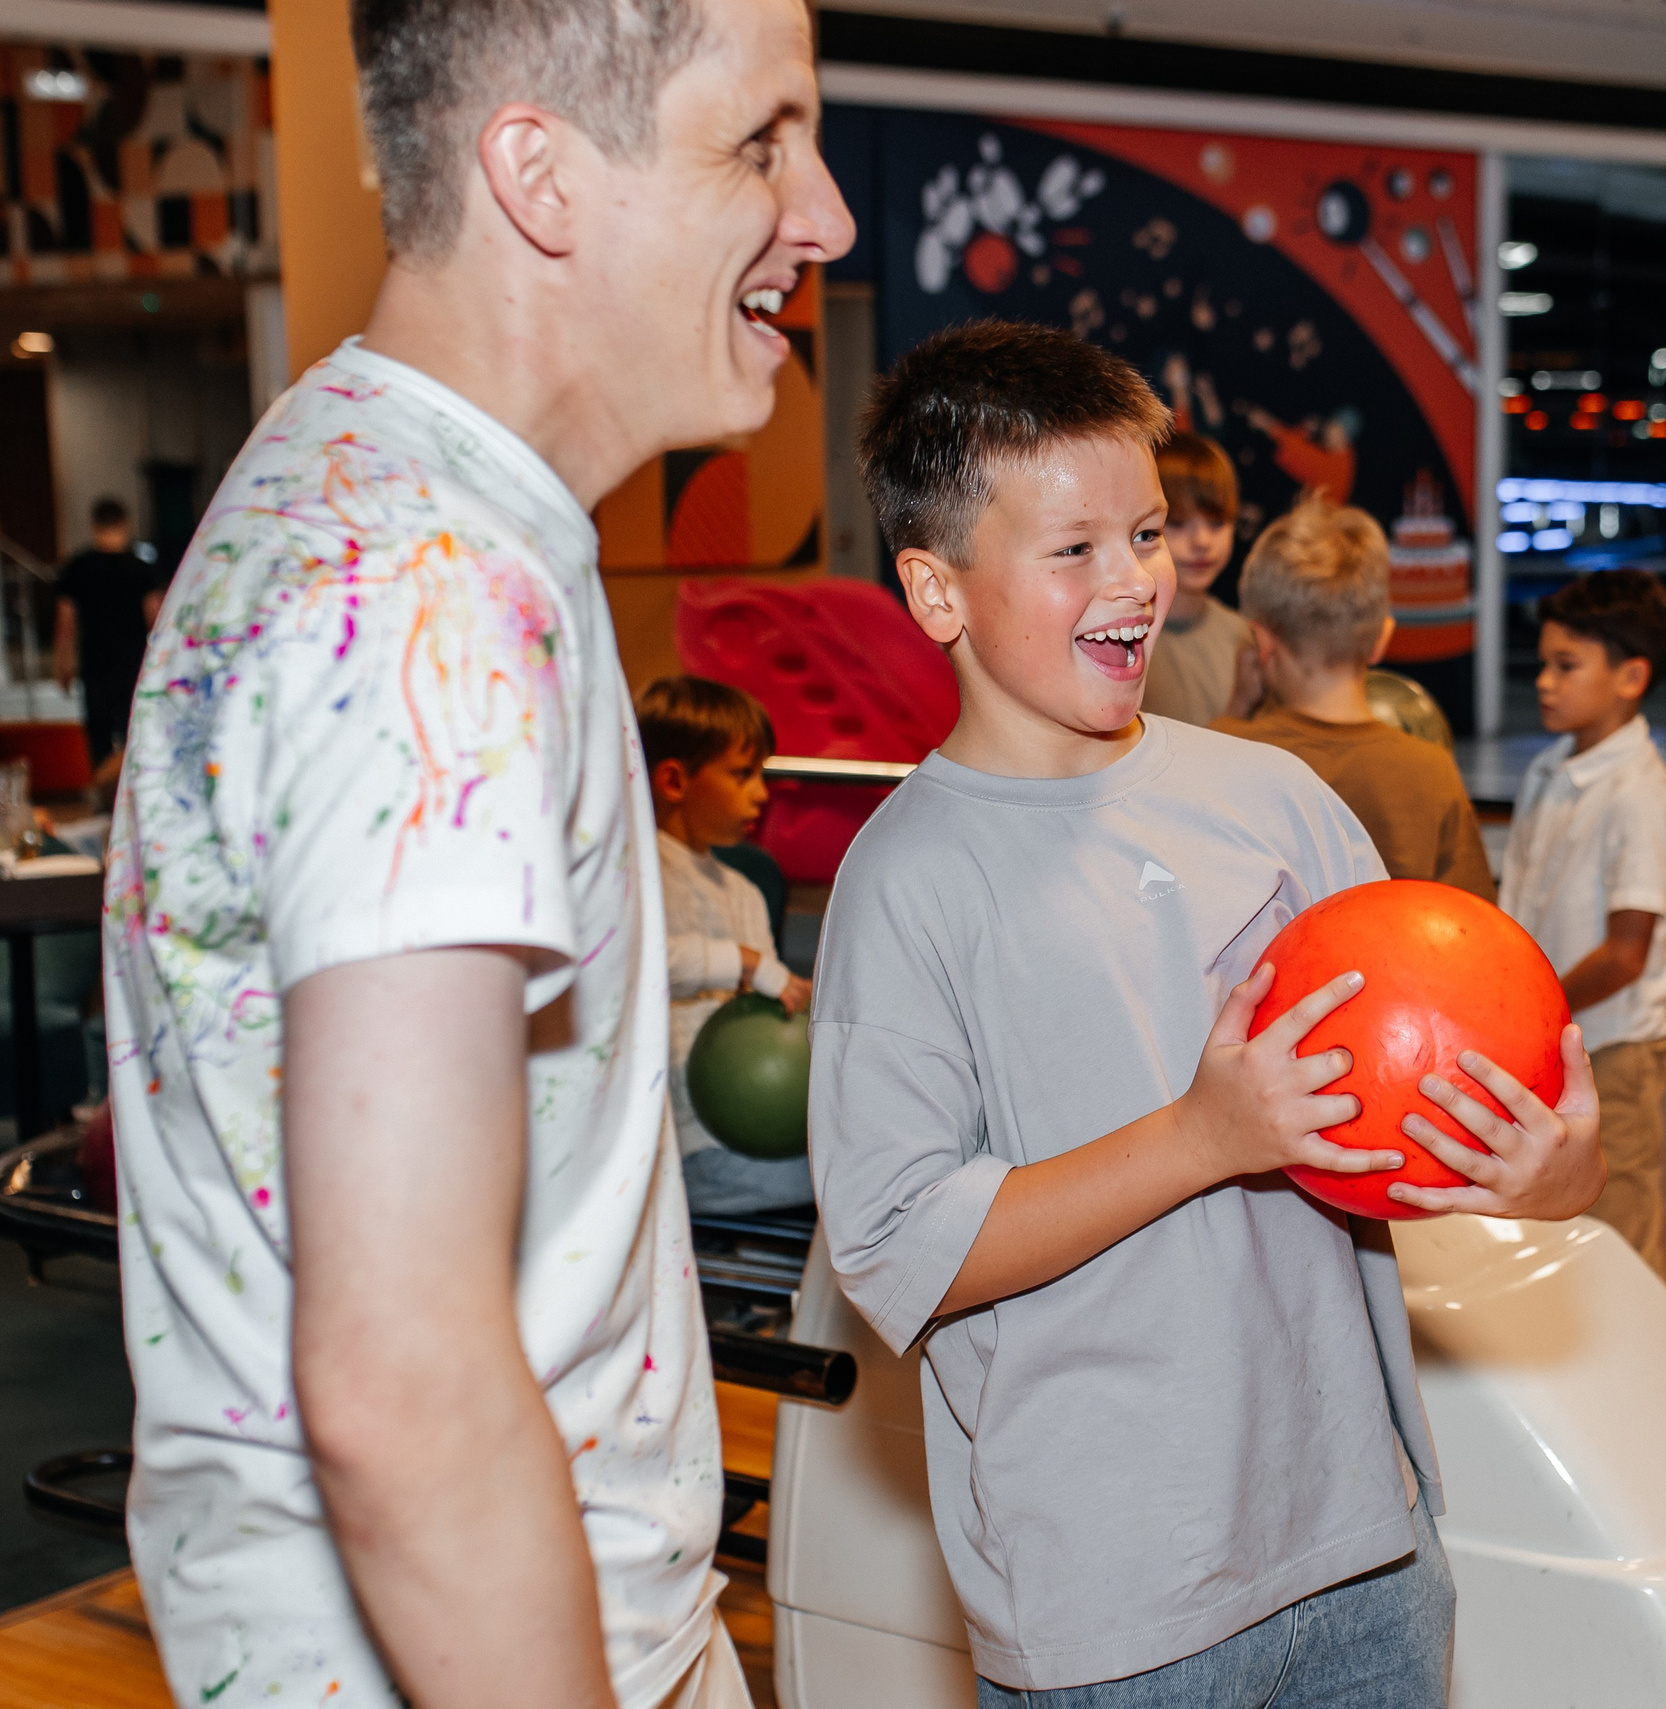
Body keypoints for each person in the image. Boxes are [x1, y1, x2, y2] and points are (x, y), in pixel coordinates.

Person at [101, 3, 853, 1706]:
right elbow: (404, 1384)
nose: (825, 215)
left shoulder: (381, 488)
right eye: (762, 141)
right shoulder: (421, 600)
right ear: (540, 173)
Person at [811, 319, 1602, 1703]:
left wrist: (1547, 1172)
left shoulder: (1273, 798)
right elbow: (897, 1246)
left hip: (1362, 1545)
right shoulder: (906, 881)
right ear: (937, 590)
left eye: (1147, 533)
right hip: (1113, 1606)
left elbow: (1433, 1112)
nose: (1135, 580)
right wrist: (1200, 1135)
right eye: (1073, 549)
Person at [1499, 569, 1666, 1276]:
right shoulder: (1551, 768)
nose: (1544, 682)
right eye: (1542, 664)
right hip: (1551, 1038)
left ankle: (1641, 1353)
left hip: (1611, 1051)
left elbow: (1624, 954)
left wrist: (1532, 1008)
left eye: (1566, 666)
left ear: (1631, 676)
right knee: (1550, 1239)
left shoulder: (1639, 794)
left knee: (1620, 1243)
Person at [1211, 492, 1497, 900]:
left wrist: (1235, 712)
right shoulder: (1432, 771)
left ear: (1262, 642)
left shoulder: (1225, 751)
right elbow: (1472, 920)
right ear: (1382, 638)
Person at [639, 675, 815, 1214]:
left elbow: (768, 1005)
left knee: (873, 1167)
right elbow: (643, 964)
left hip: (754, 1134)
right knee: (856, 1183)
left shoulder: (744, 893)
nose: (761, 793)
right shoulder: (638, 874)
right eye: (742, 774)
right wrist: (744, 963)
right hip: (683, 1152)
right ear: (674, 780)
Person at [1137, 430, 1252, 726]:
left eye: (1216, 522)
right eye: (1177, 523)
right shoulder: (1123, 638)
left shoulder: (1243, 637)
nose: (1202, 541)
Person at [52, 496, 166, 771]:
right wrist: (163, 662)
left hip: (95, 664)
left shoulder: (77, 567)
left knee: (99, 739)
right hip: (133, 664)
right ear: (125, 524)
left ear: (94, 526)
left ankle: (102, 789)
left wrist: (63, 663)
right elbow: (156, 621)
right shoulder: (141, 568)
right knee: (134, 734)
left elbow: (66, 623)